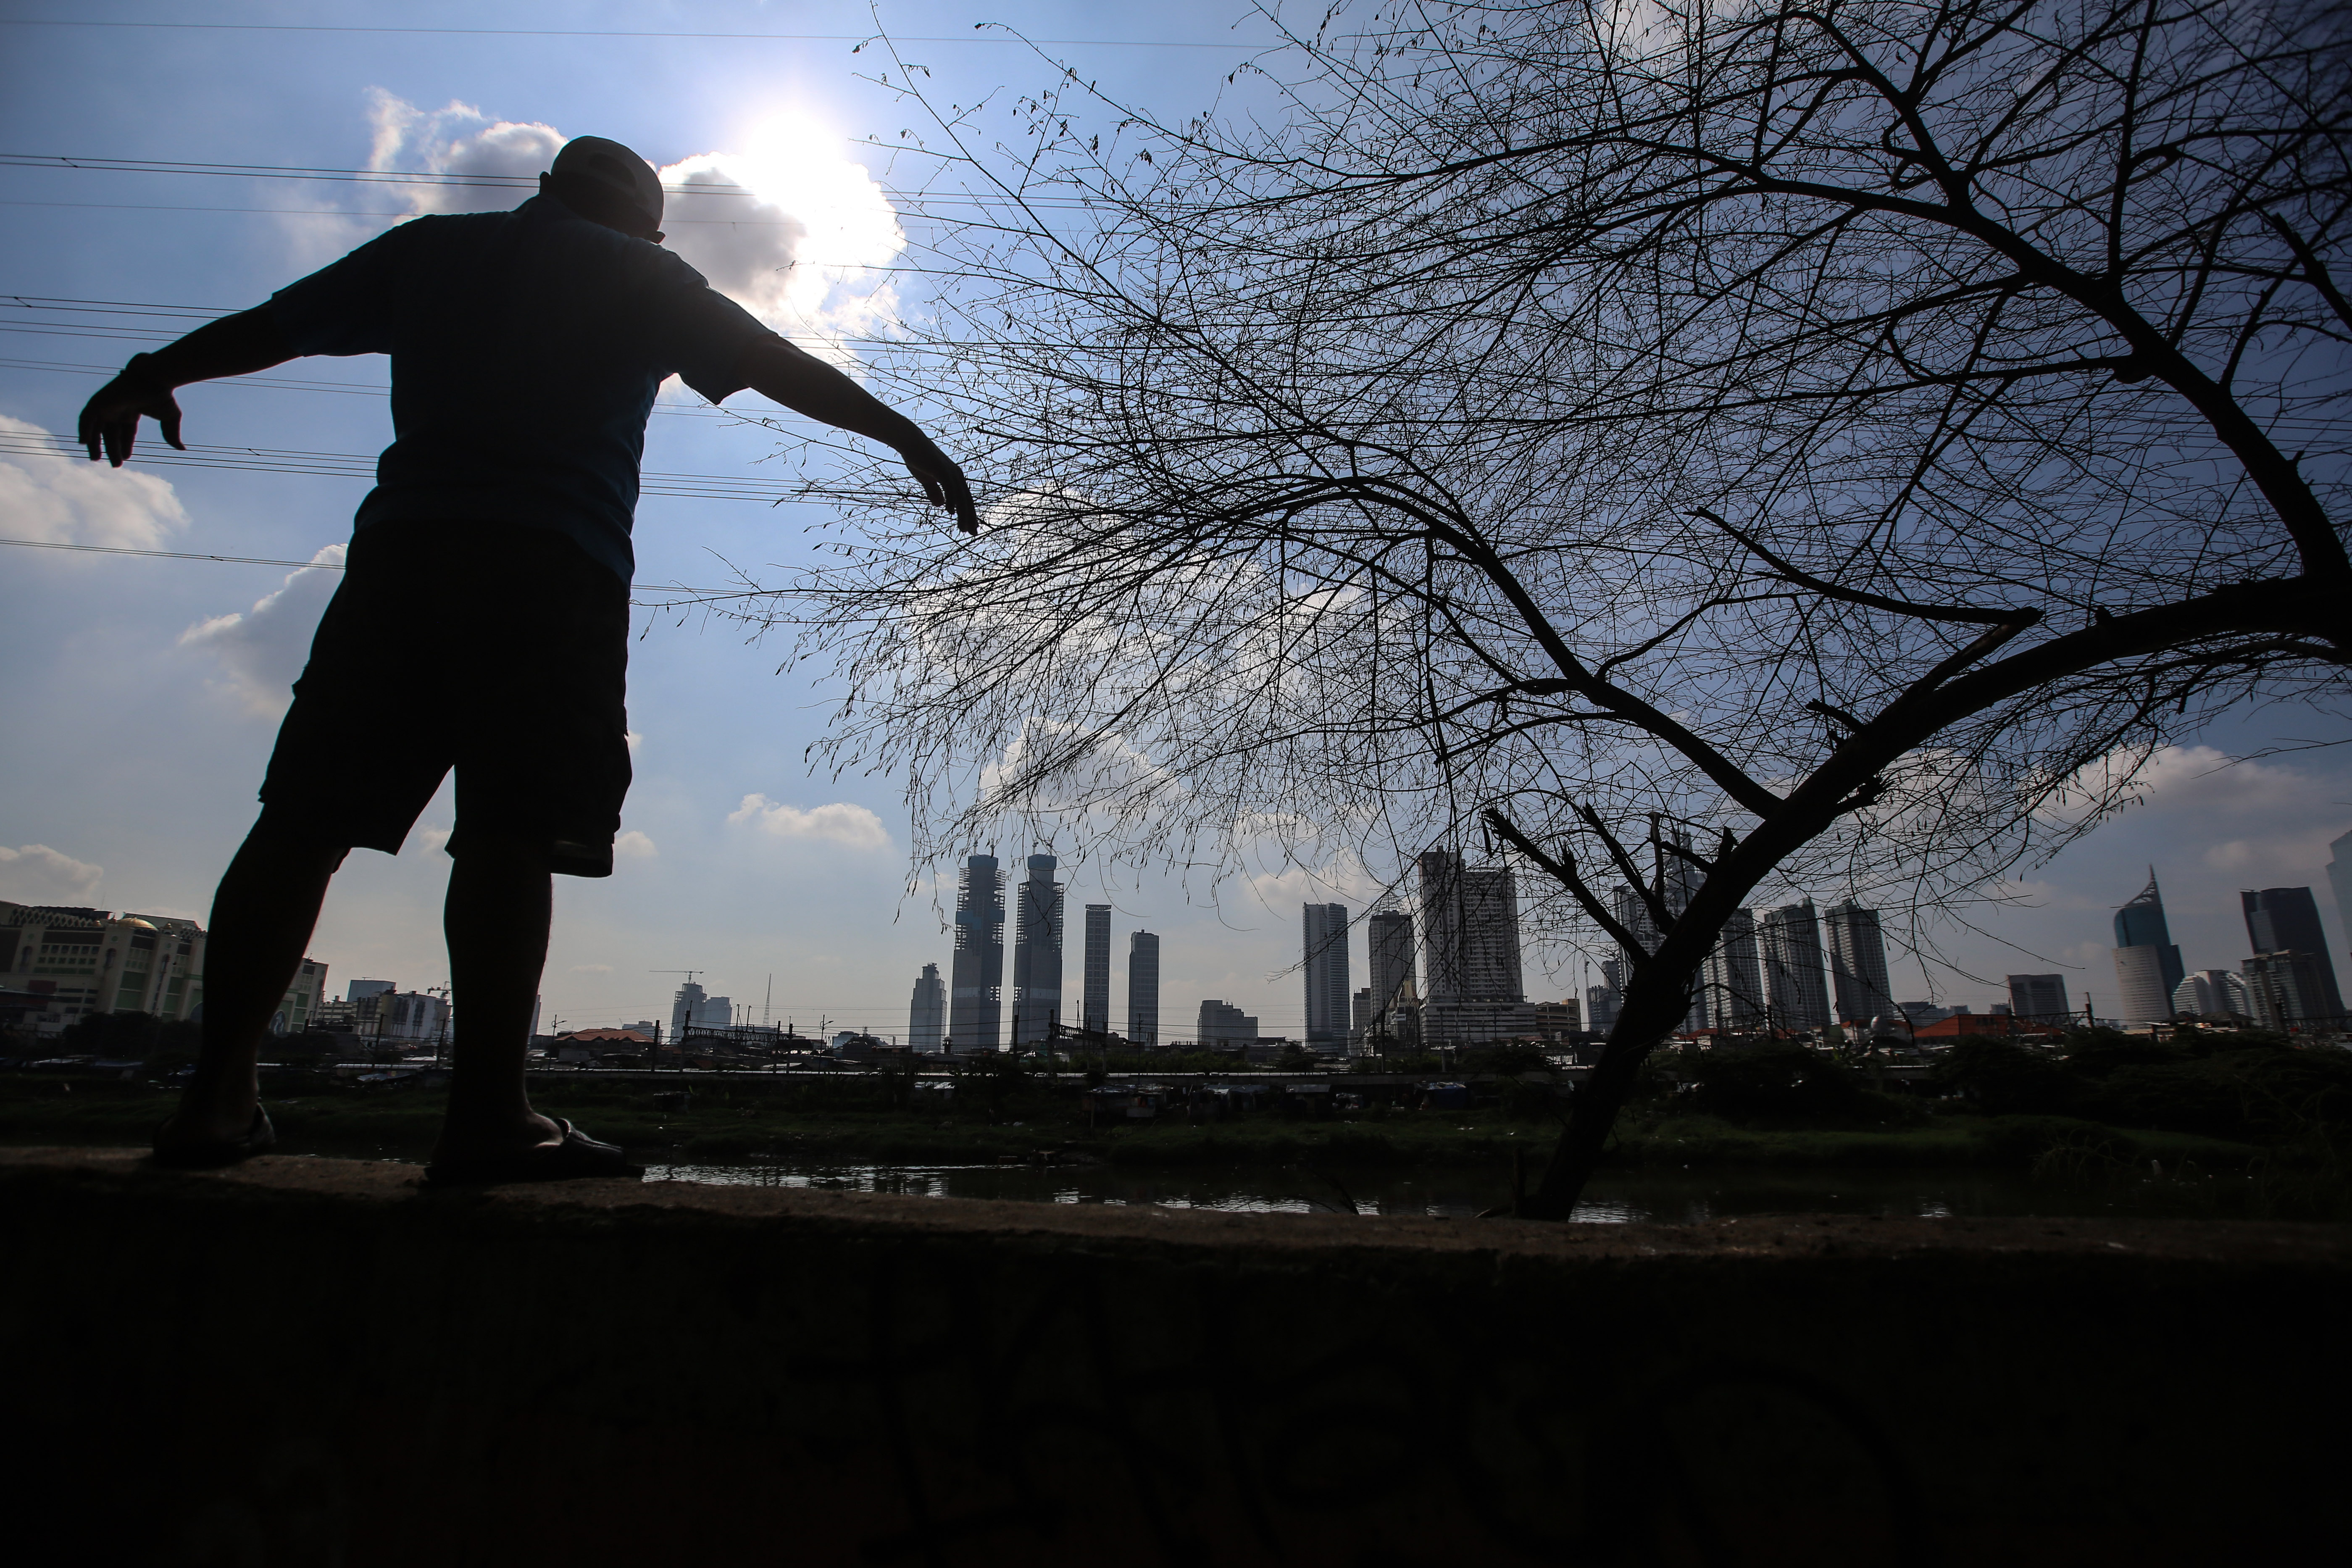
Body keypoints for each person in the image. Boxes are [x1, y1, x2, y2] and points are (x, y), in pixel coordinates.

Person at [78, 135, 978, 1182]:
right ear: (647, 220)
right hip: (551, 567)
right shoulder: (642, 272)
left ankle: (214, 1103)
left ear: (546, 190)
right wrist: (906, 435)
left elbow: (275, 325)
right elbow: (774, 363)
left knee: (301, 825)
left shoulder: (433, 252)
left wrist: (153, 370)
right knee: (510, 835)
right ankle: (488, 1119)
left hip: (403, 556)